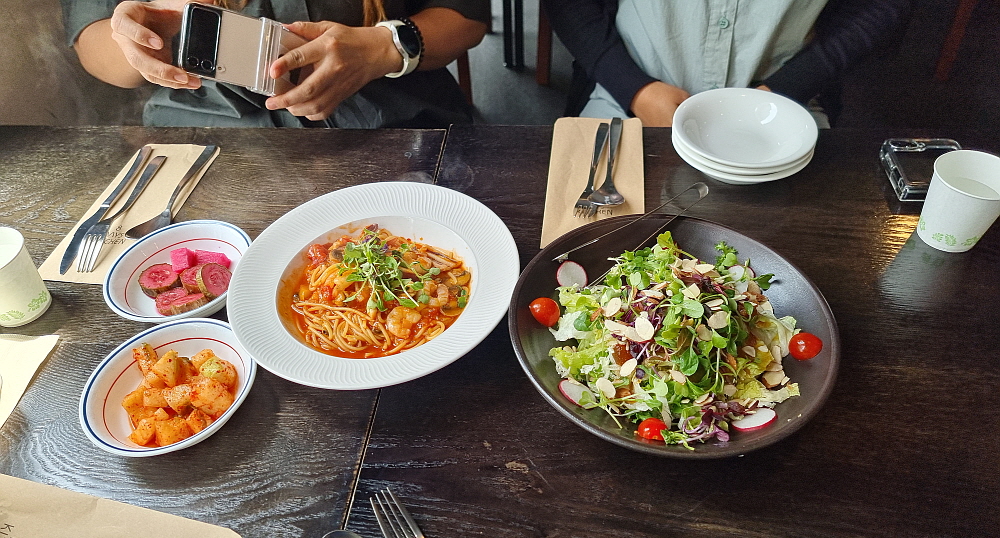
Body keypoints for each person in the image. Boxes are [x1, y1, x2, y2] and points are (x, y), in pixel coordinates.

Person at [61, 0, 490, 127]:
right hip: (210, 136)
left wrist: (383, 47)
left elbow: (467, 17)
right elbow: (93, 41)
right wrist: (142, 44)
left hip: (397, 118)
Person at [542, 0, 914, 127]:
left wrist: (788, 87)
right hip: (626, 97)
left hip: (787, 101)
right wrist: (635, 89)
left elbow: (880, 7)